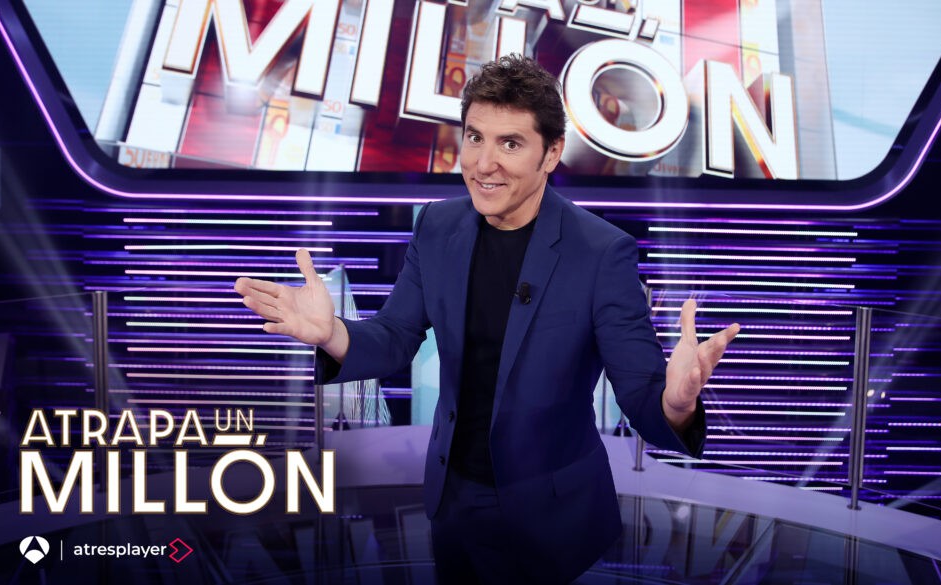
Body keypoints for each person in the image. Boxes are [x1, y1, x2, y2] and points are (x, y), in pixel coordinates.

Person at [235, 55, 739, 584]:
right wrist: (333, 333)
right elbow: (396, 335)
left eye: (510, 144)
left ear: (552, 153)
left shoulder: (601, 253)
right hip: (453, 500)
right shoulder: (437, 225)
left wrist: (677, 404)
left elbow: (639, 392)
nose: (484, 163)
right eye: (475, 138)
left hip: (549, 516)